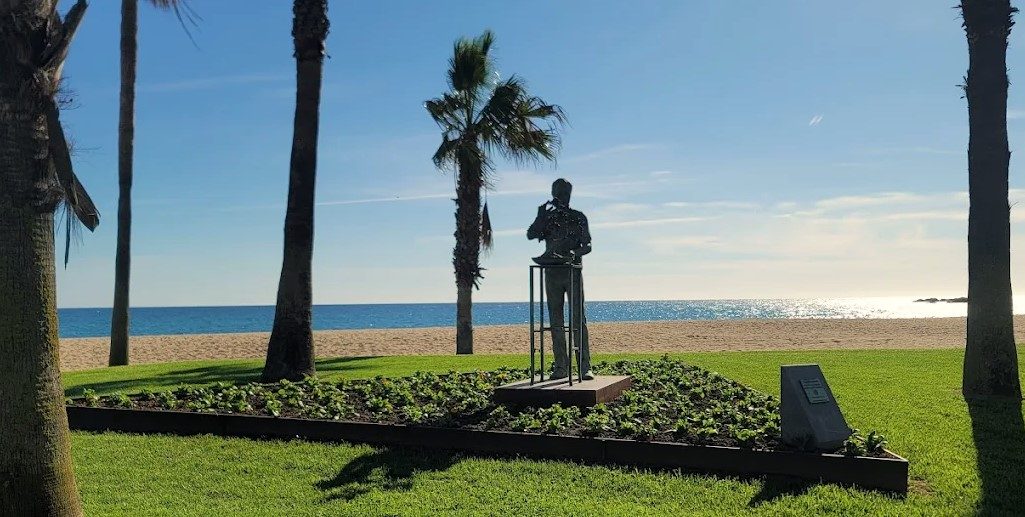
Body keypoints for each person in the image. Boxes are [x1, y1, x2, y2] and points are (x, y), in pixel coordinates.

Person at [527, 178, 593, 380]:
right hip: (551, 271)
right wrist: (540, 216)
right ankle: (561, 367)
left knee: (577, 319)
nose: (561, 196)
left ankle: (584, 367)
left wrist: (573, 252)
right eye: (558, 192)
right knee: (555, 320)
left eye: (564, 193)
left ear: (570, 194)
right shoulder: (548, 218)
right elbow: (531, 234)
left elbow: (587, 245)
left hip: (572, 270)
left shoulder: (578, 217)